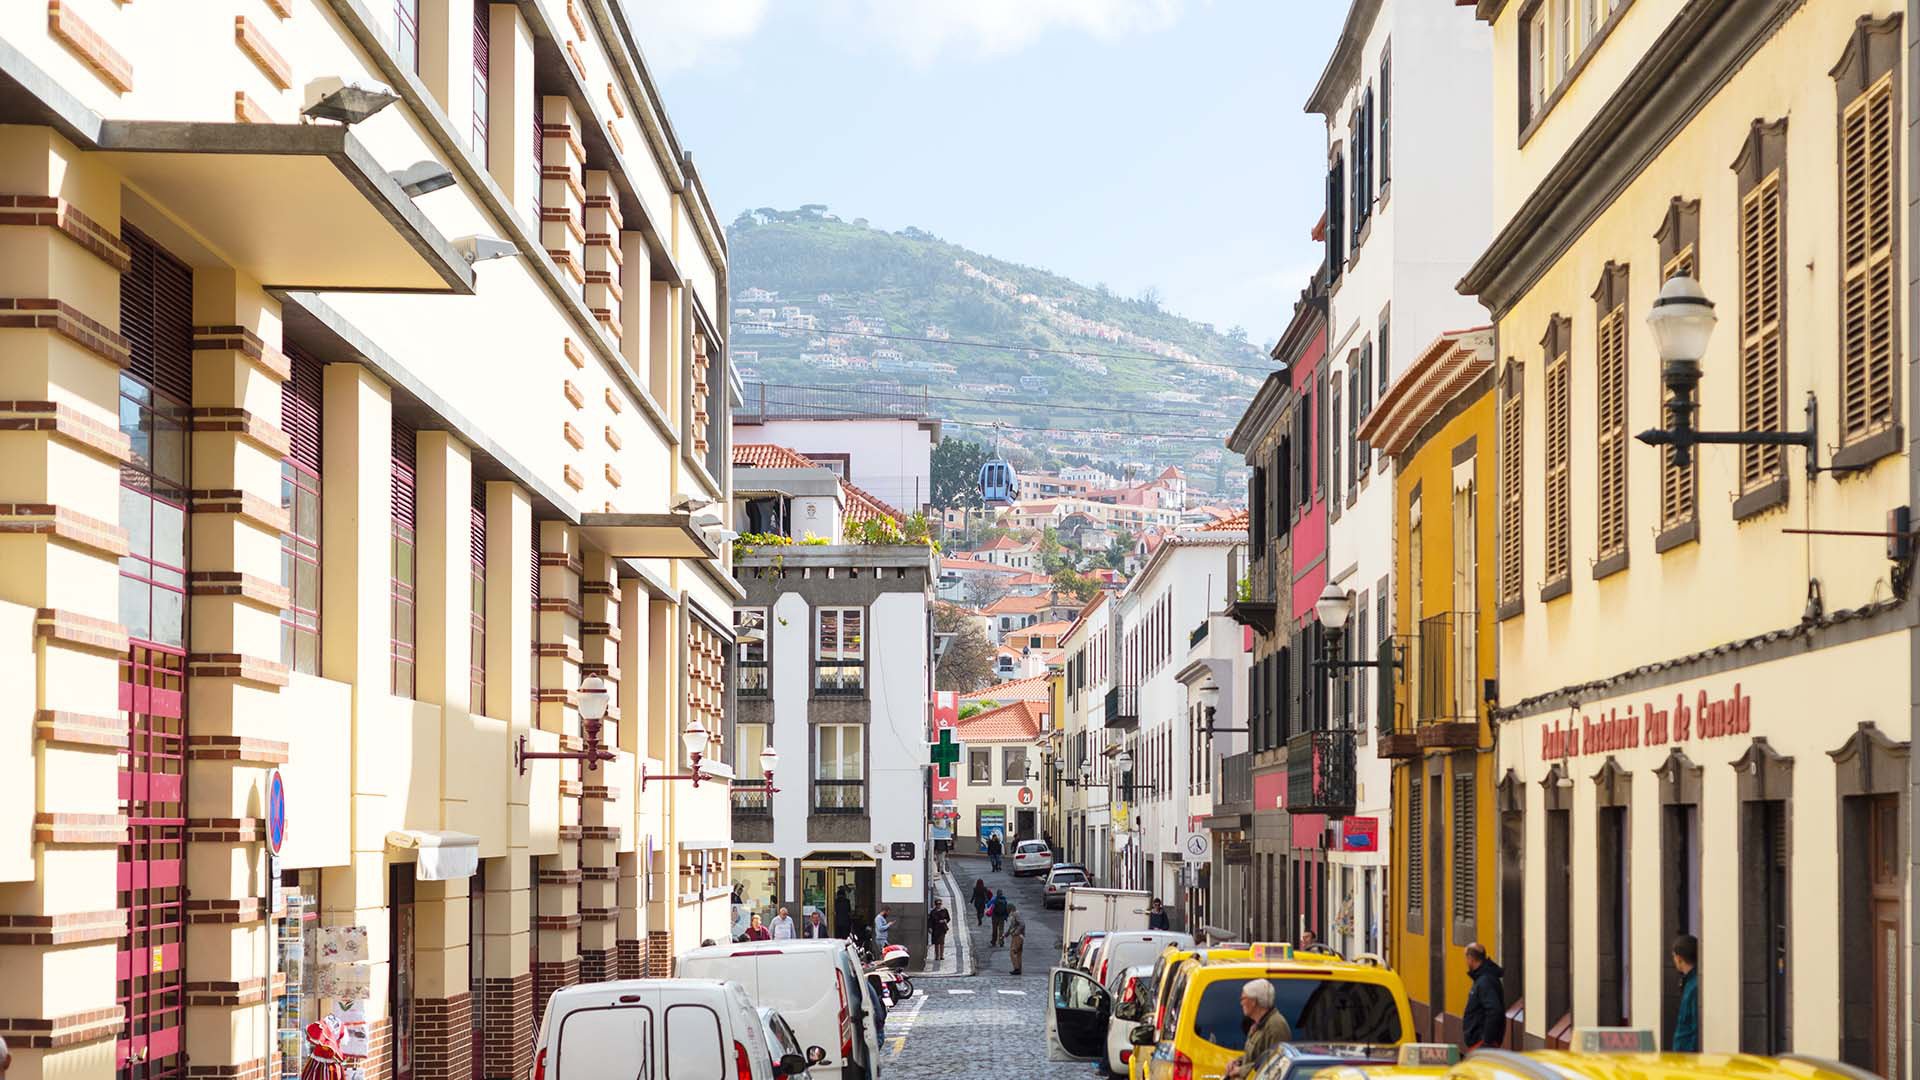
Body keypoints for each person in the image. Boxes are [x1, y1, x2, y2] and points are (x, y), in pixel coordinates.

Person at [1224, 979, 1291, 1079]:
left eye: (1243, 998)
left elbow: (1275, 1064)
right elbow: (1256, 1058)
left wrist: (1241, 1071)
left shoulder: (1276, 1026)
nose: (1241, 1003)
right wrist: (1238, 1062)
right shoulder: (1257, 1024)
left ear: (1254, 1001)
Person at [1460, 942, 1507, 1051]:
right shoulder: (1483, 978)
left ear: (1471, 958)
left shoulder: (1485, 981)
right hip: (1481, 1042)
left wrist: (1487, 1041)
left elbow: (1494, 1010)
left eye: (1466, 958)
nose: (1466, 962)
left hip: (1482, 1043)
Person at [1671, 934, 1700, 1052]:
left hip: (1687, 1059)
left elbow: (1696, 1028)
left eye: (1673, 956)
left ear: (1679, 958)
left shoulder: (1694, 986)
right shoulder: (1690, 982)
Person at [1006, 903, 1027, 974]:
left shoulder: (1015, 914)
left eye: (1008, 910)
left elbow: (1022, 924)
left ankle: (1016, 969)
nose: (1008, 912)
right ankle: (1019, 969)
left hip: (1017, 937)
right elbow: (1011, 927)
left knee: (1012, 952)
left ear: (1011, 909)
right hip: (1020, 936)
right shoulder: (1015, 914)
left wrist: (1016, 932)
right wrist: (1006, 934)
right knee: (1018, 953)